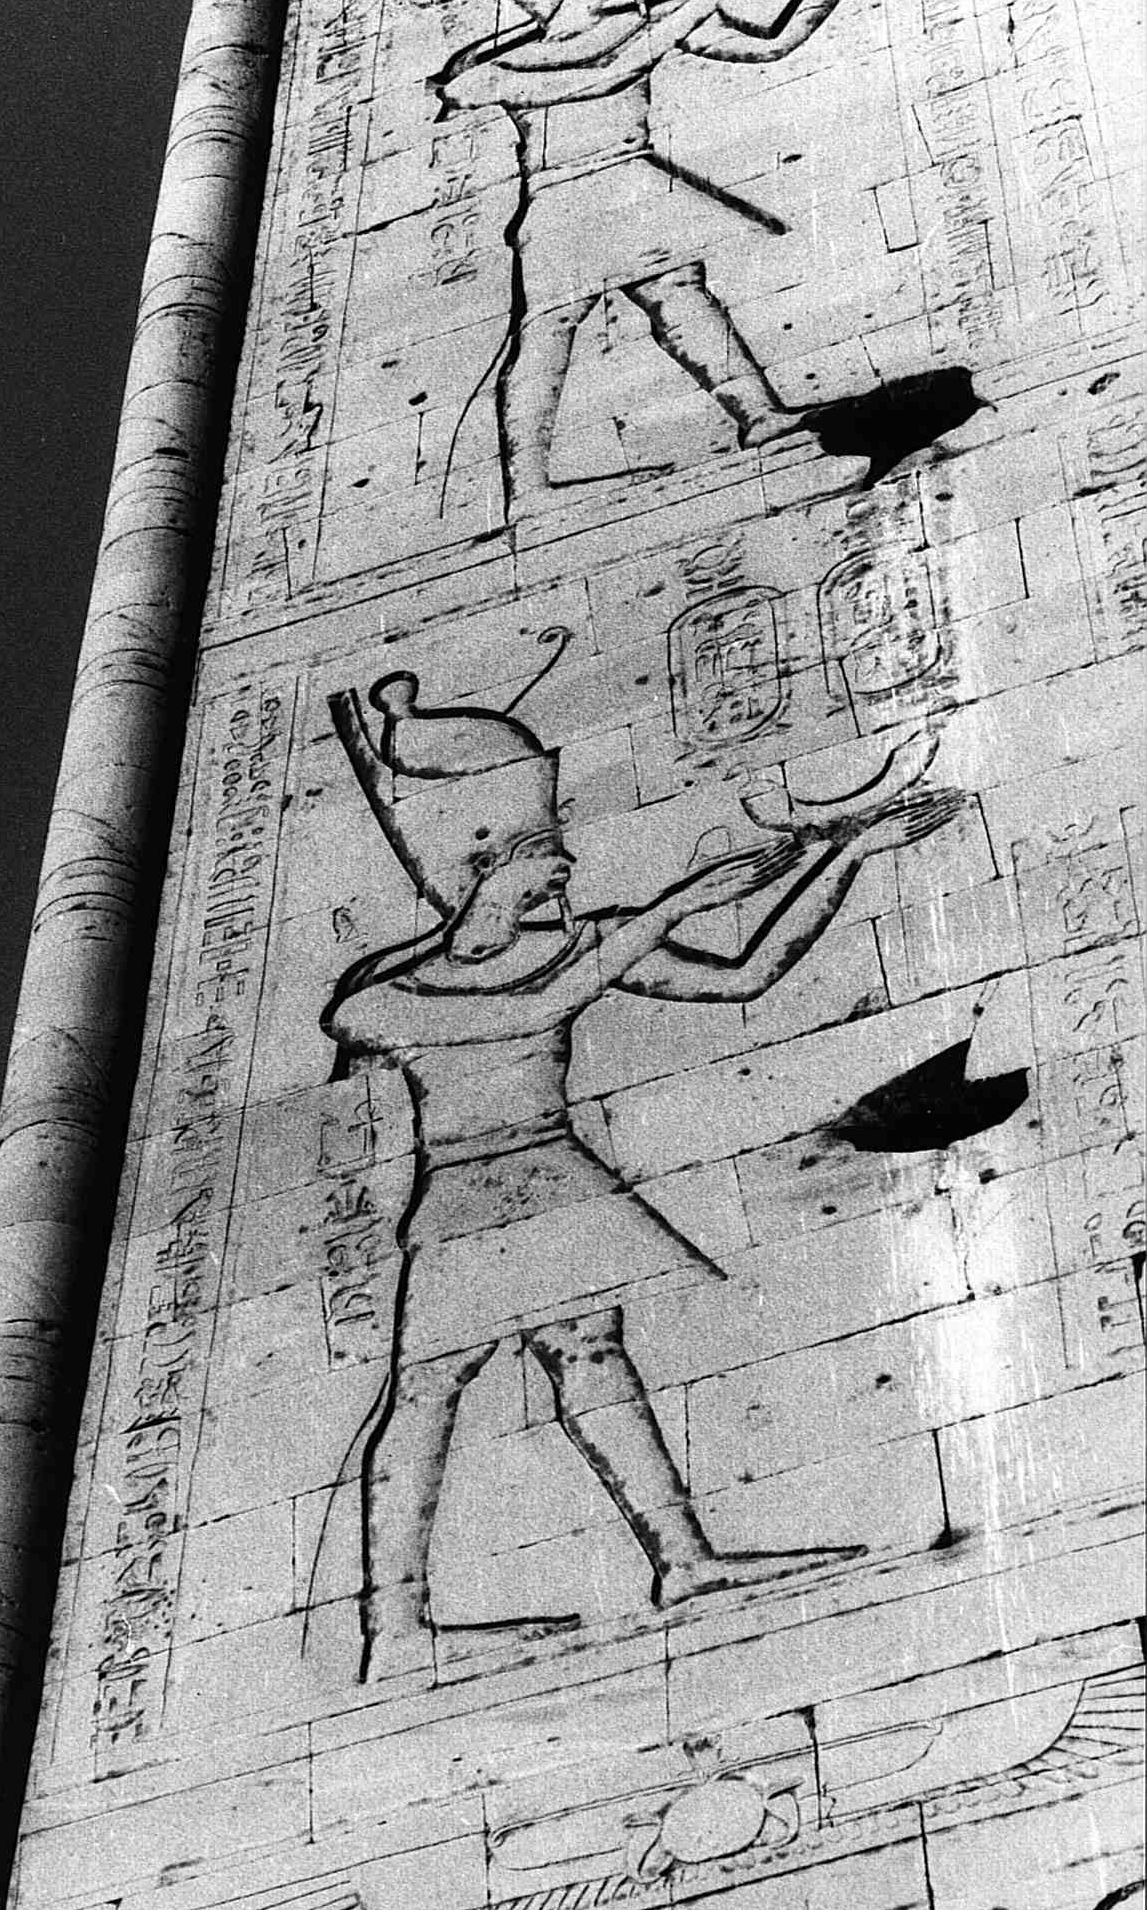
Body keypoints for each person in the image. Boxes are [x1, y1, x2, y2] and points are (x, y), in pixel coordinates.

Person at [325, 669, 963, 1681]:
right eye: (542, 851)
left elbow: (743, 975)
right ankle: (396, 1627)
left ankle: (685, 1563)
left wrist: (844, 854)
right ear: (480, 865)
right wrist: (664, 908)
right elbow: (523, 1012)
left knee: (592, 1357)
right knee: (428, 1391)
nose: (566, 864)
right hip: (466, 1196)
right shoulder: (387, 992)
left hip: (553, 1172)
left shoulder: (580, 942)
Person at [431, 0, 868, 515]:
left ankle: (759, 417)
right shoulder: (492, 68)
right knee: (549, 330)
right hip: (564, 201)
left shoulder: (645, 23)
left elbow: (772, 43)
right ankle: (529, 492)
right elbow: (601, 76)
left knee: (680, 295)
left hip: (631, 182)